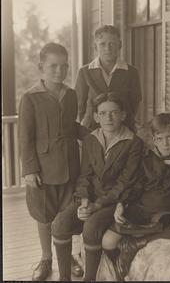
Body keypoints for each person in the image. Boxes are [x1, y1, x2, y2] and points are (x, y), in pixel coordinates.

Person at [51, 92, 144, 281]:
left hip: (116, 200)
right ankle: (63, 278)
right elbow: (85, 176)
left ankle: (90, 279)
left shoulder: (133, 143)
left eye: (114, 112)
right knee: (60, 224)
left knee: (91, 227)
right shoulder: (90, 140)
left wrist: (97, 205)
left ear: (123, 115)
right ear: (95, 116)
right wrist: (84, 202)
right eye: (103, 113)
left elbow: (124, 183)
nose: (108, 118)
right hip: (90, 197)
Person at [102, 112, 170, 280]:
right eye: (160, 138)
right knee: (108, 241)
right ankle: (121, 264)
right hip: (142, 210)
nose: (165, 143)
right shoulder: (146, 160)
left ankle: (139, 243)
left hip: (169, 213)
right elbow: (134, 188)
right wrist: (122, 204)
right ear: (154, 140)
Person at [18, 42, 88, 281]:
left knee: (66, 216)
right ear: (41, 67)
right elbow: (25, 138)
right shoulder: (30, 98)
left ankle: (67, 257)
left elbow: (72, 127)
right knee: (44, 215)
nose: (59, 71)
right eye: (53, 66)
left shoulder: (70, 95)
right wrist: (29, 170)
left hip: (70, 166)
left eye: (64, 66)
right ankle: (46, 258)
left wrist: (96, 136)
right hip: (43, 170)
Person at [75, 25, 142, 131]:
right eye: (102, 44)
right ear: (95, 46)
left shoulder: (131, 72)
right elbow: (80, 105)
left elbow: (134, 102)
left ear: (120, 45)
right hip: (93, 129)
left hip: (122, 129)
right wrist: (87, 122)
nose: (107, 48)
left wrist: (124, 122)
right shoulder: (84, 72)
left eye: (112, 44)